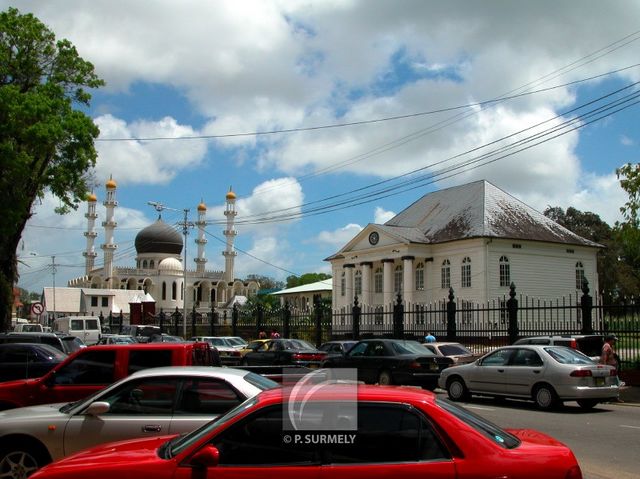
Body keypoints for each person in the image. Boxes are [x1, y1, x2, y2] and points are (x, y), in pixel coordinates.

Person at [600, 333, 624, 401]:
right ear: (610, 340)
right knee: (615, 383)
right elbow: (604, 356)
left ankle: (614, 397)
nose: (615, 341)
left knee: (614, 383)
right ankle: (612, 397)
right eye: (614, 340)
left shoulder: (609, 346)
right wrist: (605, 367)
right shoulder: (607, 346)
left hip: (612, 369)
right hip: (610, 369)